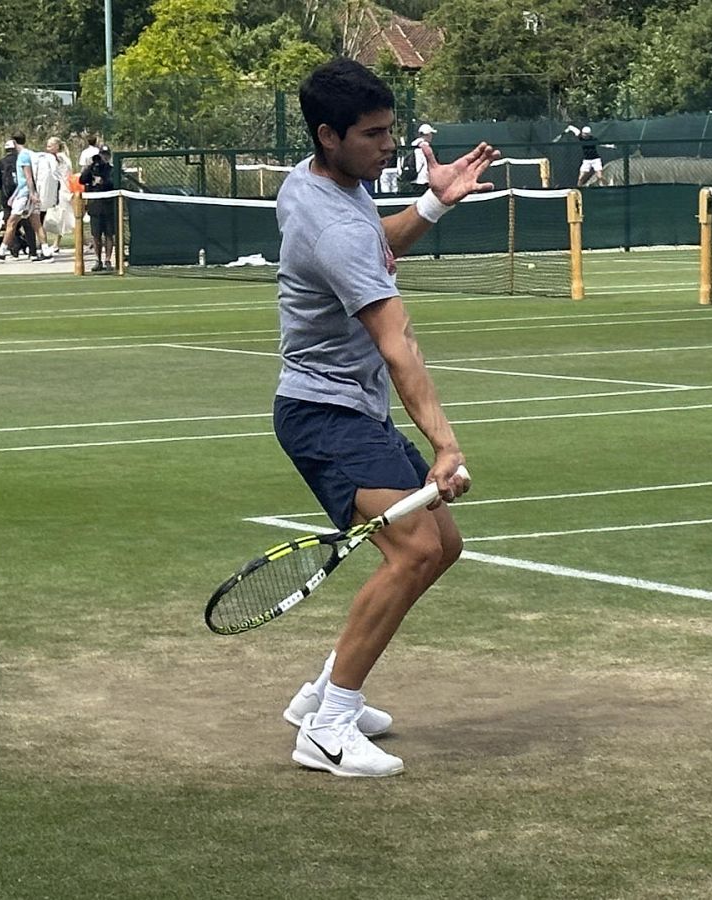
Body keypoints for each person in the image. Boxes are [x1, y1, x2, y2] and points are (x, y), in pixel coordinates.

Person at [273, 58, 491, 778]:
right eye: (372, 135)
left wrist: (434, 204)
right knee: (414, 552)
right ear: (328, 135)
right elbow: (398, 342)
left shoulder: (325, 185)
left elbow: (378, 246)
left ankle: (321, 695)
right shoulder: (331, 223)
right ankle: (330, 725)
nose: (387, 147)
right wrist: (445, 445)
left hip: (346, 408)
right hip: (324, 414)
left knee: (442, 544)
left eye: (391, 131)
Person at [0, 133, 49, 261]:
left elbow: (28, 177)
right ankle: (46, 251)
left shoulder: (23, 156)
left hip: (25, 194)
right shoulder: (30, 154)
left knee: (11, 222)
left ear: (14, 143)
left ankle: (2, 251)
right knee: (36, 224)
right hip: (26, 193)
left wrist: (31, 193)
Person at [34, 136, 75, 258]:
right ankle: (45, 244)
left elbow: (64, 176)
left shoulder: (60, 159)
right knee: (48, 218)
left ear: (57, 146)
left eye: (50, 145)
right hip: (53, 191)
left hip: (62, 191)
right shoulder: (52, 158)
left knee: (62, 218)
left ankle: (53, 244)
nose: (48, 148)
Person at [79, 145, 118, 271]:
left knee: (108, 235)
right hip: (95, 206)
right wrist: (89, 166)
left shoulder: (111, 170)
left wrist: (103, 181)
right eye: (102, 155)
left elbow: (114, 183)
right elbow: (82, 180)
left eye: (106, 155)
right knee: (96, 235)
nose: (104, 158)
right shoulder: (92, 169)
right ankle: (97, 259)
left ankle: (107, 260)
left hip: (108, 206)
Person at [410, 122, 436, 187]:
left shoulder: (413, 145)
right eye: (431, 134)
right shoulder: (426, 147)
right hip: (424, 180)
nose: (432, 136)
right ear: (427, 134)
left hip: (414, 178)